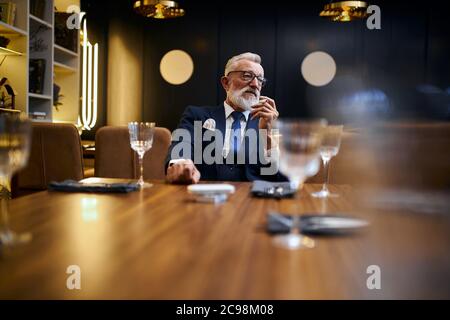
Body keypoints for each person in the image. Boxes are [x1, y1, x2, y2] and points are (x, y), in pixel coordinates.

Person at [165, 52, 287, 184]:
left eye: (260, 80)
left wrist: (267, 134)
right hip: (205, 195)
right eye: (247, 76)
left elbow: (281, 178)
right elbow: (181, 147)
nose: (255, 84)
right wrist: (181, 164)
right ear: (226, 83)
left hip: (252, 198)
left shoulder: (267, 123)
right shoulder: (196, 115)